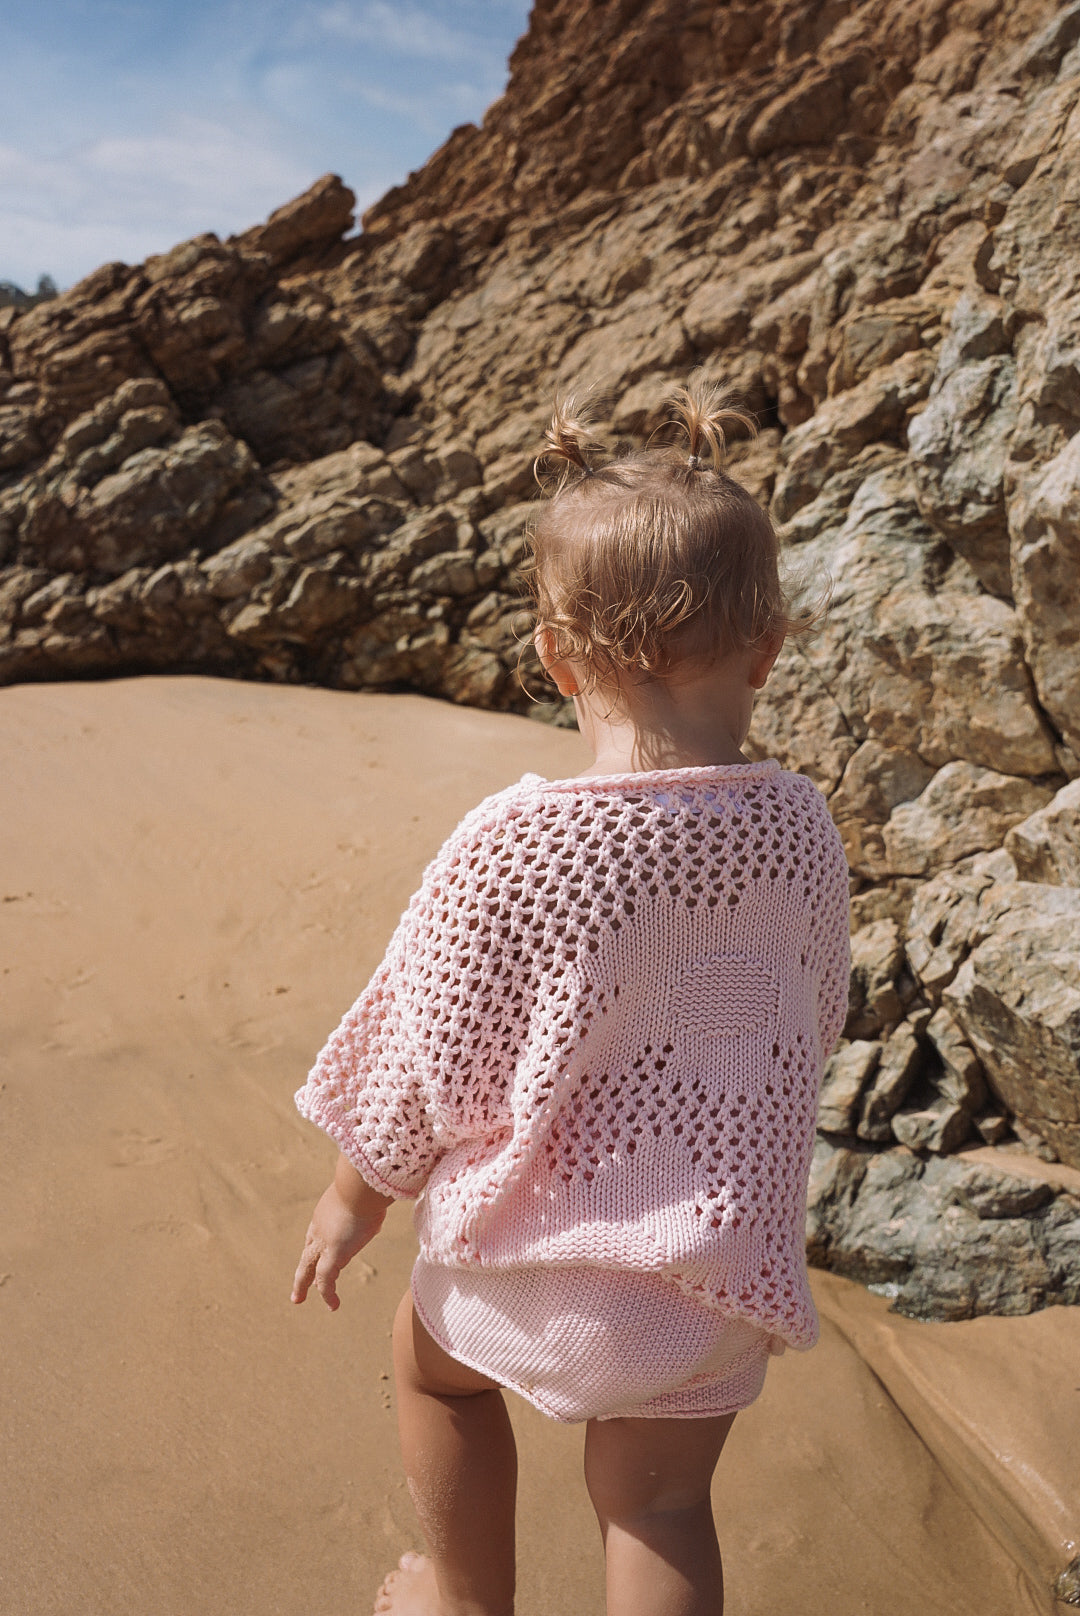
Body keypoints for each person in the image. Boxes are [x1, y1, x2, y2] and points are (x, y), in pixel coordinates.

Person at [291, 380, 851, 1616]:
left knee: (434, 1375)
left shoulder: (517, 842)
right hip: (713, 1271)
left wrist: (351, 1201)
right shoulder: (802, 829)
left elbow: (418, 1052)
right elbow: (817, 1010)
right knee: (656, 1506)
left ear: (554, 657)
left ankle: (459, 1592)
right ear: (769, 648)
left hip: (528, 1267)